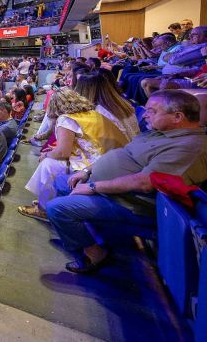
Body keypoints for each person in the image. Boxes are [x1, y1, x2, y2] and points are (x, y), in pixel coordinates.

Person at [46, 90, 207, 273]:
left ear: (177, 117)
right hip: (111, 189)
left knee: (56, 208)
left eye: (152, 111)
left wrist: (93, 186)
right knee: (61, 182)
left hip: (131, 203)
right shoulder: (160, 132)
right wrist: (86, 171)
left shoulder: (189, 148)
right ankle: (84, 233)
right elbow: (123, 153)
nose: (145, 114)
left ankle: (94, 254)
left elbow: (144, 183)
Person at [18, 89, 129, 220]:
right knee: (52, 159)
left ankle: (43, 209)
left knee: (49, 164)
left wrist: (47, 155)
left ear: (54, 106)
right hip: (115, 160)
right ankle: (48, 199)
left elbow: (62, 152)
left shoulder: (66, 119)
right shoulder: (90, 113)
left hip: (99, 166)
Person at [74, 70, 140, 140]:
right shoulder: (122, 103)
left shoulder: (98, 113)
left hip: (120, 149)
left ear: (82, 90)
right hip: (133, 145)